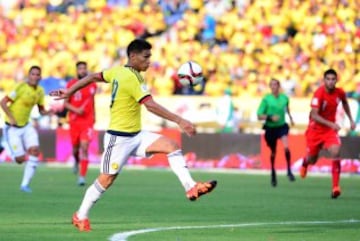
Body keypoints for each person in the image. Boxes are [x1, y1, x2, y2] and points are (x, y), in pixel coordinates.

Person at [50, 38, 217, 232]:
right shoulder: (130, 77)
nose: (149, 62)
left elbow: (93, 77)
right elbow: (150, 105)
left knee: (171, 146)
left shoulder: (119, 71)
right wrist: (180, 120)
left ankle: (191, 186)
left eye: (150, 57)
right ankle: (80, 215)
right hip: (118, 139)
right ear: (133, 56)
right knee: (106, 180)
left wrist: (69, 90)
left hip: (136, 135)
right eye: (146, 57)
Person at [299, 68, 355, 199]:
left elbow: (345, 103)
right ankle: (305, 162)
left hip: (329, 130)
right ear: (324, 80)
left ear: (336, 80)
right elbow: (314, 115)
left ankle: (336, 187)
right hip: (315, 130)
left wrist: (351, 119)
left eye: (333, 79)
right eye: (328, 79)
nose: (330, 82)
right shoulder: (319, 94)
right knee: (312, 160)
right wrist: (331, 124)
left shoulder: (339, 92)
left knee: (336, 151)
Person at [0, 65, 53, 193]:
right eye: (32, 74)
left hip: (26, 125)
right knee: (20, 160)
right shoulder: (20, 87)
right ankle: (4, 145)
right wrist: (11, 117)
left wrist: (49, 112)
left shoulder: (40, 91)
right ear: (28, 76)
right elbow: (3, 102)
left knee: (35, 151)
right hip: (12, 128)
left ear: (40, 77)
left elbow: (41, 110)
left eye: (37, 74)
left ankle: (25, 185)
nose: (35, 76)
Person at [257, 78, 295, 187]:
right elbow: (259, 115)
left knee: (286, 147)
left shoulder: (284, 98)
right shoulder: (266, 100)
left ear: (279, 86)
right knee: (273, 152)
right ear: (270, 87)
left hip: (281, 126)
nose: (274, 87)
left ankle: (289, 170)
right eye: (272, 85)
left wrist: (291, 118)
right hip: (270, 128)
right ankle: (273, 172)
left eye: (276, 85)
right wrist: (269, 117)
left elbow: (286, 109)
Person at [64, 61, 96, 186]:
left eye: (84, 68)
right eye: (80, 68)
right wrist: (76, 110)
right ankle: (76, 161)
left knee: (84, 147)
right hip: (74, 121)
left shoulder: (92, 85)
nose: (83, 70)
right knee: (75, 148)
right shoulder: (71, 84)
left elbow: (93, 102)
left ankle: (82, 177)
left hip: (87, 122)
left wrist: (94, 116)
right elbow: (65, 103)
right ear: (76, 71)